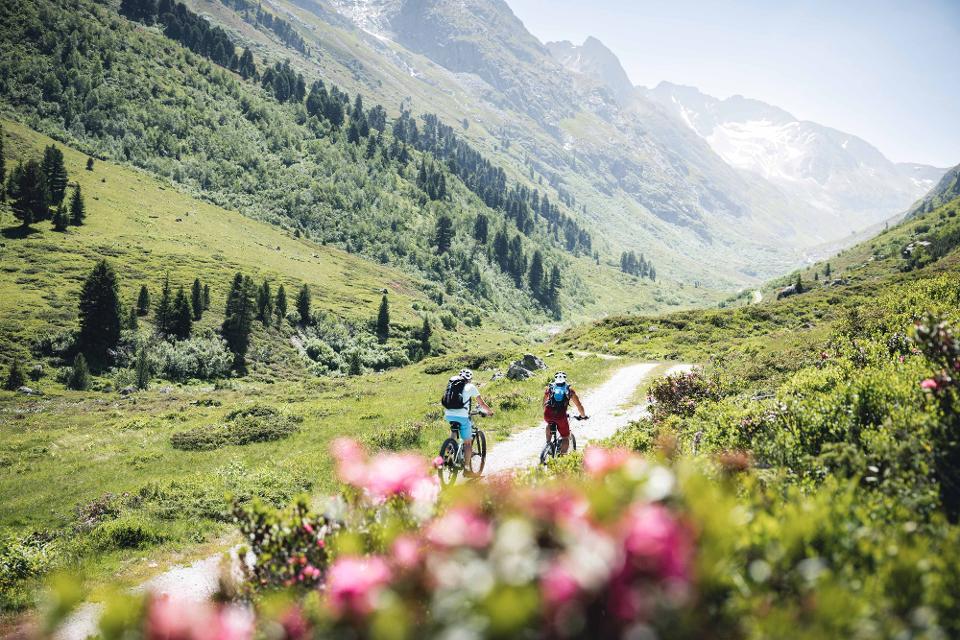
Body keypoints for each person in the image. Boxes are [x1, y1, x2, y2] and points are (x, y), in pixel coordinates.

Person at [442, 368, 494, 477]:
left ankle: (448, 452)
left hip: (448, 415)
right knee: (468, 443)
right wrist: (489, 412)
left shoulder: (452, 385)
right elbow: (482, 403)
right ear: (470, 379)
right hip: (463, 416)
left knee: (454, 432)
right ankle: (466, 469)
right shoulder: (471, 387)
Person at [543, 371, 586, 455]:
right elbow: (579, 405)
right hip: (561, 416)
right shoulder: (569, 391)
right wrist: (583, 416)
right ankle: (562, 457)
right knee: (565, 437)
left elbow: (544, 402)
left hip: (548, 413)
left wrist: (546, 411)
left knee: (549, 424)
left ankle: (548, 445)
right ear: (565, 379)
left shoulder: (550, 388)